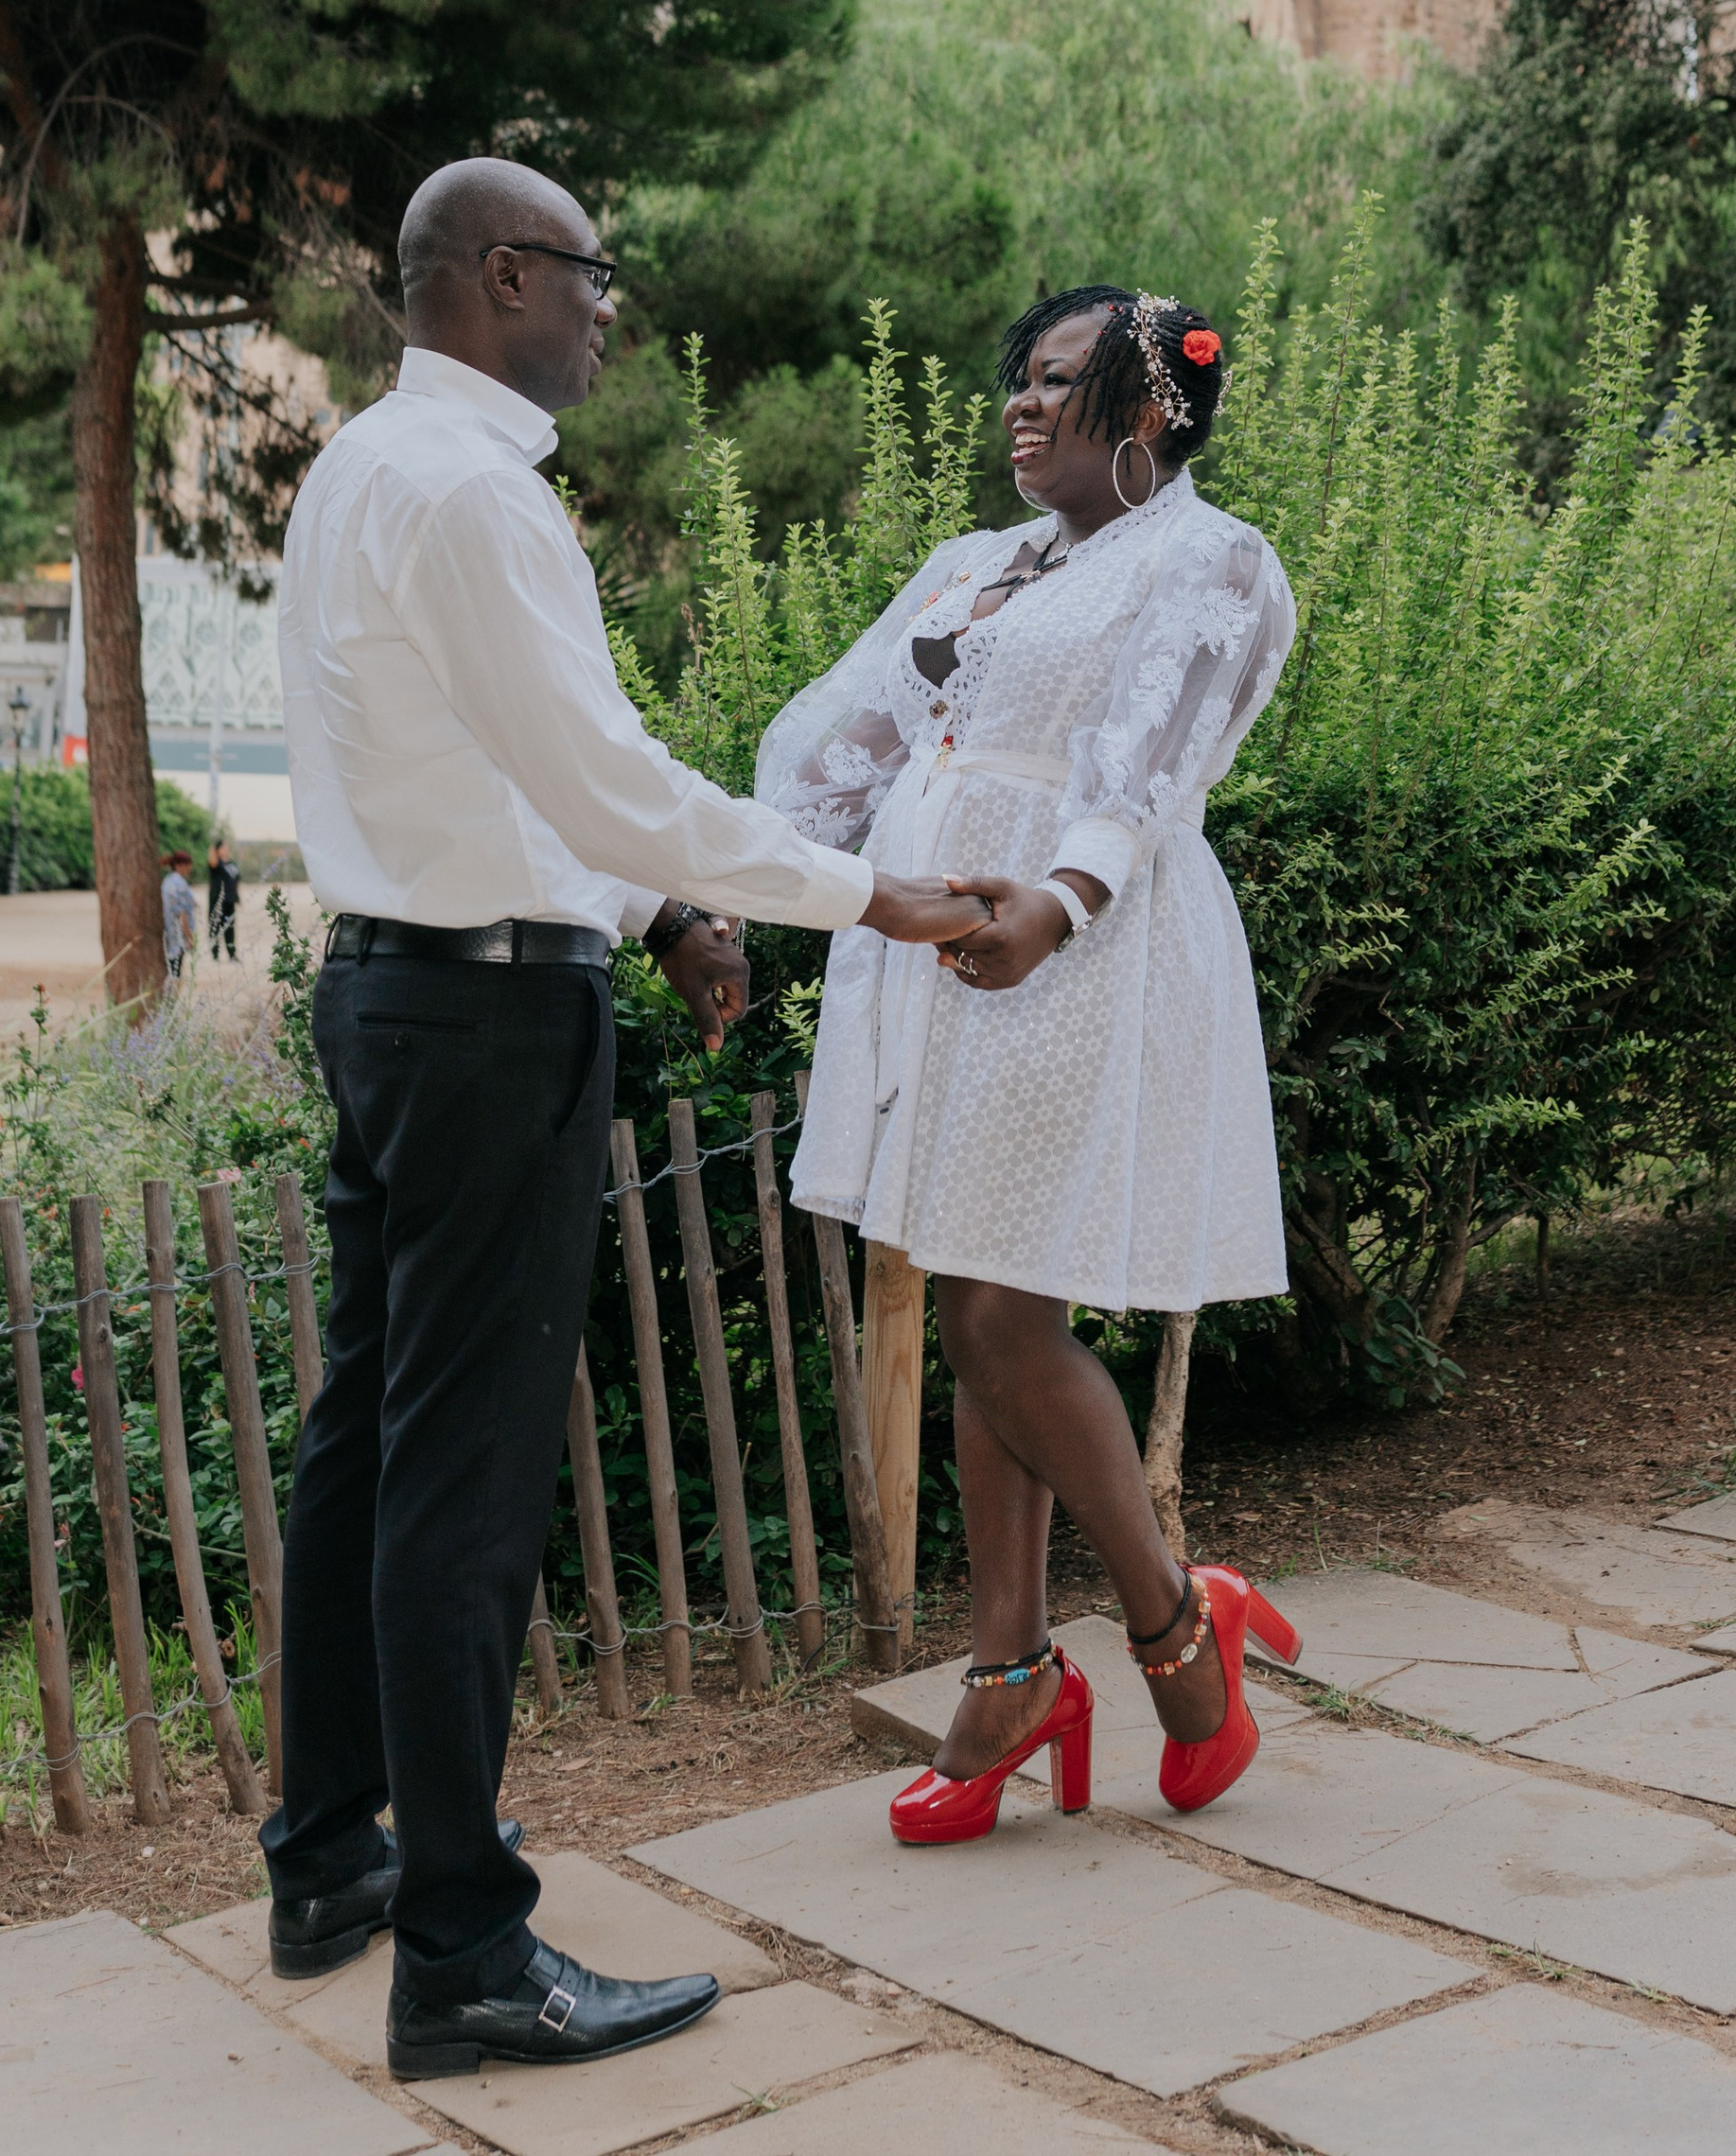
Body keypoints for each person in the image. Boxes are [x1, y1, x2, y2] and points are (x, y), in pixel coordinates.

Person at [265, 154, 985, 2085]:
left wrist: (659, 913)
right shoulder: (473, 498)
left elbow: (477, 774)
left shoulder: (354, 472)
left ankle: (328, 1859)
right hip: (490, 1024)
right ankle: (464, 1954)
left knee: (363, 1440)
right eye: (593, 277)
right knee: (464, 1483)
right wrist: (875, 898)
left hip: (388, 991)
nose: (611, 312)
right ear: (504, 275)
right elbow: (601, 778)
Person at [764, 285, 1302, 1844]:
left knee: (1001, 1313)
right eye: (1019, 377)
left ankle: (1164, 1637)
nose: (1019, 403)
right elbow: (848, 743)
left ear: (1146, 419)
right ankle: (1012, 1666)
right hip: (936, 953)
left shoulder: (1210, 565)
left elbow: (1148, 766)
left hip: (1087, 948)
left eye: (1057, 383)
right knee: (977, 1295)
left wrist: (1059, 902)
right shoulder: (971, 568)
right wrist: (729, 898)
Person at [159, 849, 197, 990]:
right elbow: (182, 913)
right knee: (176, 973)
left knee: (174, 970)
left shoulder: (168, 881)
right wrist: (189, 936)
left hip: (170, 935)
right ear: (181, 865)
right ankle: (171, 1006)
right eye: (188, 865)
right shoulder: (179, 884)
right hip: (178, 937)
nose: (190, 868)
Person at [206, 836, 241, 961]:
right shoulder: (216, 863)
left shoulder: (231, 864)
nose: (226, 849)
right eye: (223, 846)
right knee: (215, 926)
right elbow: (212, 861)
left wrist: (238, 897)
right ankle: (215, 954)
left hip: (229, 900)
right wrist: (213, 848)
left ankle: (232, 954)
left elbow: (236, 881)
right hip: (218, 900)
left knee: (230, 927)